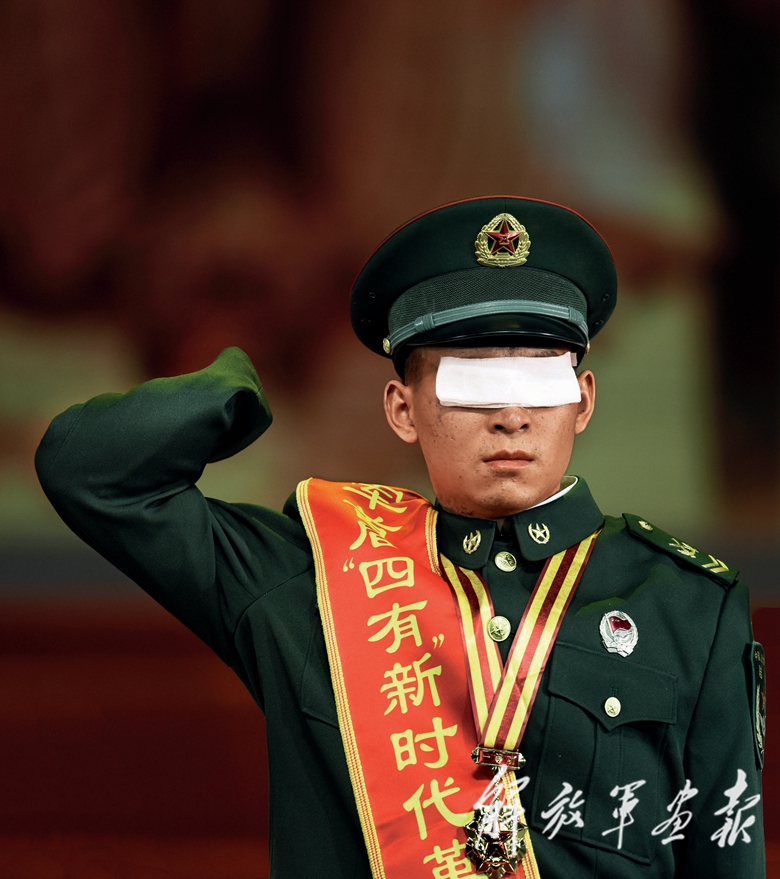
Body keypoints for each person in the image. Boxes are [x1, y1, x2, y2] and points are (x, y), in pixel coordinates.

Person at [36, 196, 765, 879]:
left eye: (540, 377)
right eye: (472, 381)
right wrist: (237, 390)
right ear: (402, 409)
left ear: (583, 401)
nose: (510, 415)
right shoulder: (309, 577)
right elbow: (89, 472)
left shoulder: (690, 606)